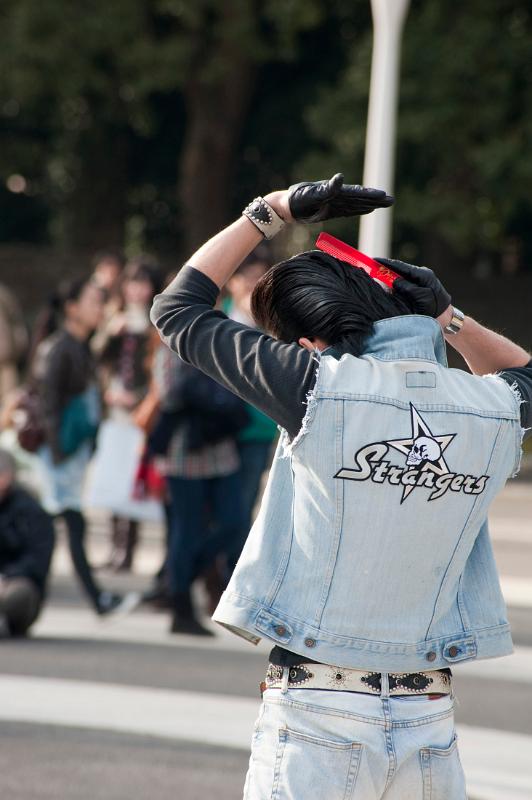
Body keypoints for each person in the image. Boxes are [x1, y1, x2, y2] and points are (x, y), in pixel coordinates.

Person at [151, 173, 532, 799]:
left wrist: (270, 211)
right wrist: (447, 316)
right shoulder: (487, 405)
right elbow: (528, 377)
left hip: (315, 712)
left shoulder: (313, 385)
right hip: (430, 720)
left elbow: (176, 310)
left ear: (306, 342)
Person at [32, 276, 134, 616]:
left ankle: (40, 597)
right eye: (92, 301)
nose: (99, 308)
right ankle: (92, 599)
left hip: (70, 452)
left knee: (60, 528)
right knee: (66, 527)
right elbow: (46, 406)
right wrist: (59, 453)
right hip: (56, 453)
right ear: (71, 309)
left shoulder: (80, 346)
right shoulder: (58, 349)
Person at [151, 344, 246, 635]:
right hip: (184, 450)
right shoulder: (171, 347)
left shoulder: (219, 337)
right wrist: (203, 385)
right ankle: (181, 607)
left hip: (221, 446)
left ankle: (177, 581)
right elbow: (167, 394)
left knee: (236, 523)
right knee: (186, 530)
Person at [98, 257, 161, 571]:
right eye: (132, 282)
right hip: (114, 408)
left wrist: (136, 397)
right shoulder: (115, 318)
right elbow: (97, 358)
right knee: (113, 476)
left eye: (143, 282)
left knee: (132, 479)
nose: (137, 289)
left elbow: (155, 373)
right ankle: (113, 546)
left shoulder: (155, 322)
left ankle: (127, 549)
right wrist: (110, 332)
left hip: (139, 412)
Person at [226, 253, 278, 569]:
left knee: (246, 504)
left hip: (258, 431)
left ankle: (234, 571)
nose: (252, 288)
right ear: (232, 283)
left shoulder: (274, 328)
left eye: (260, 281)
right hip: (220, 432)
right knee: (223, 511)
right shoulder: (217, 323)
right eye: (247, 279)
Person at [0, 449, 54, 637]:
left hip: (16, 583)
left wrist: (6, 577)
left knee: (18, 593)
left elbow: (37, 561)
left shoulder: (30, 510)